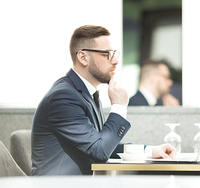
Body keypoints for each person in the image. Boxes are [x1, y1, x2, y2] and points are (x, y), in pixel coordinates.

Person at [31, 25, 176, 176]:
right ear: (83, 57)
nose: (115, 61)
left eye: (114, 53)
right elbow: (99, 151)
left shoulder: (87, 94)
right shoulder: (63, 97)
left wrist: (151, 150)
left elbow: (103, 144)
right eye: (107, 54)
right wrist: (119, 106)